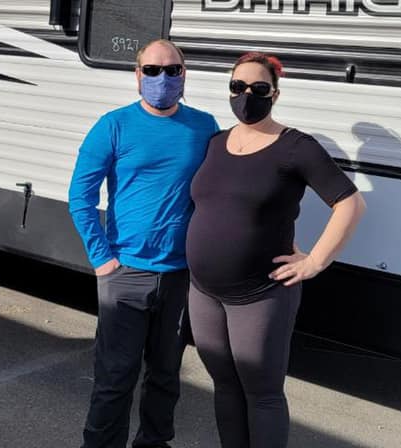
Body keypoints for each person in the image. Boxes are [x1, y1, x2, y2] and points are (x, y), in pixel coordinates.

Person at [186, 52, 366, 448]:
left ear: (275, 94)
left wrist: (315, 261)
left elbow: (350, 204)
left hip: (260, 294)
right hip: (204, 291)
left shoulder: (296, 147)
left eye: (259, 88)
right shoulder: (216, 143)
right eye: (238, 87)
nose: (247, 96)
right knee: (225, 384)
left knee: (262, 394)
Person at [69, 38, 219, 448]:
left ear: (184, 74)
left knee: (166, 376)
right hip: (125, 274)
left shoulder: (204, 127)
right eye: (152, 70)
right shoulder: (113, 126)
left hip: (179, 276)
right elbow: (80, 196)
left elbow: (221, 189)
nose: (162, 78)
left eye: (172, 70)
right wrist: (102, 260)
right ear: (137, 76)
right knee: (115, 378)